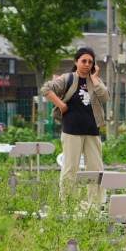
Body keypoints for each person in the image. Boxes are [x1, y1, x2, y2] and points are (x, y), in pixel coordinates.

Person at [42, 46, 108, 200]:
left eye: (90, 62)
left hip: (92, 131)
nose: (87, 64)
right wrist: (61, 104)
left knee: (96, 169)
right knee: (70, 168)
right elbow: (46, 89)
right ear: (76, 62)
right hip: (71, 131)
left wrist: (95, 79)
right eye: (84, 61)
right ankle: (68, 204)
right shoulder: (68, 78)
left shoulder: (95, 81)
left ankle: (95, 204)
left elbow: (105, 97)